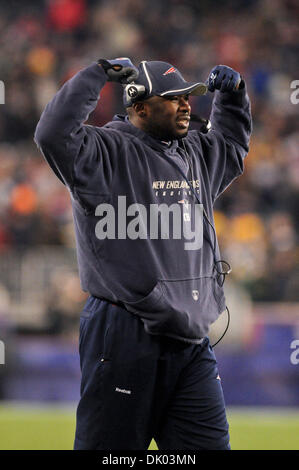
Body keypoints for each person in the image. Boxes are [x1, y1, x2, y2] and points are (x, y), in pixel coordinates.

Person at [34, 57, 252, 450]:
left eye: (189, 97)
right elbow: (52, 134)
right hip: (124, 333)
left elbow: (232, 146)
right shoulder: (103, 151)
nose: (187, 104)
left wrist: (233, 98)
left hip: (191, 338)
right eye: (174, 98)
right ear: (140, 107)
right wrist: (94, 75)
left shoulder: (194, 154)